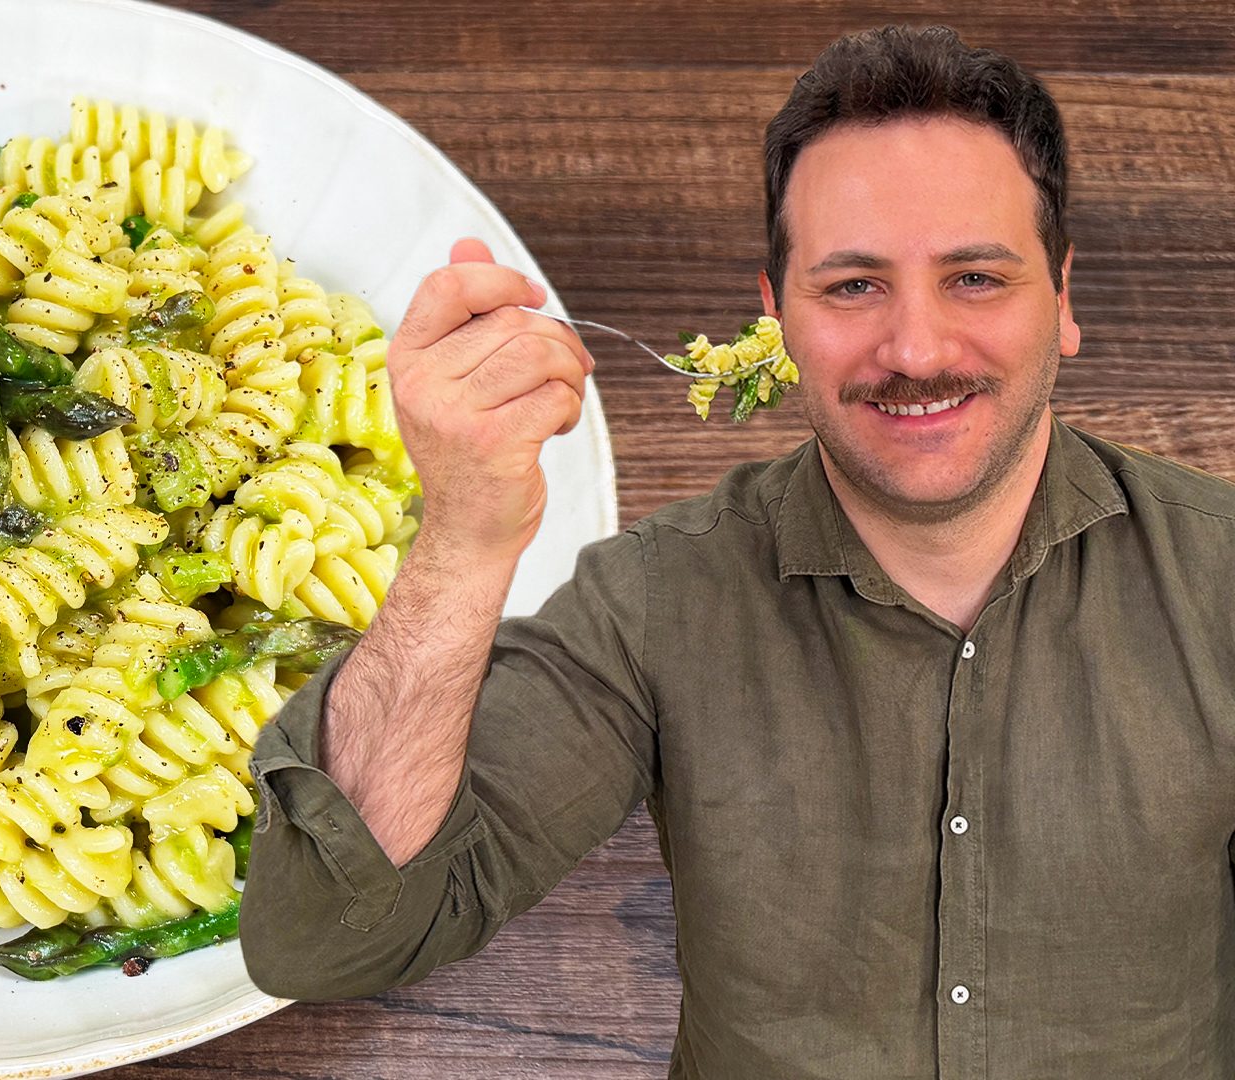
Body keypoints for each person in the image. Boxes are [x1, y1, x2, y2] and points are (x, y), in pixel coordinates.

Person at [237, 23, 1235, 1079]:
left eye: (977, 278)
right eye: (852, 286)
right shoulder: (656, 604)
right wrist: (464, 530)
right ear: (776, 318)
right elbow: (326, 938)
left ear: (1065, 300)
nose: (915, 349)